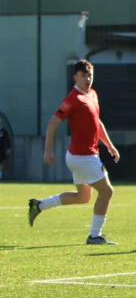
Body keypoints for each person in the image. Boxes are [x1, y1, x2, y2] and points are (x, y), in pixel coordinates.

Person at [28, 59, 120, 244]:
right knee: (107, 192)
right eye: (83, 75)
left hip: (82, 156)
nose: (88, 79)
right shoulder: (73, 99)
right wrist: (48, 150)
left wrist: (109, 145)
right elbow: (53, 123)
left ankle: (39, 205)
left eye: (90, 75)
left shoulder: (92, 94)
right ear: (75, 77)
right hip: (82, 156)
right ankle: (94, 236)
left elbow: (97, 122)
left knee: (83, 197)